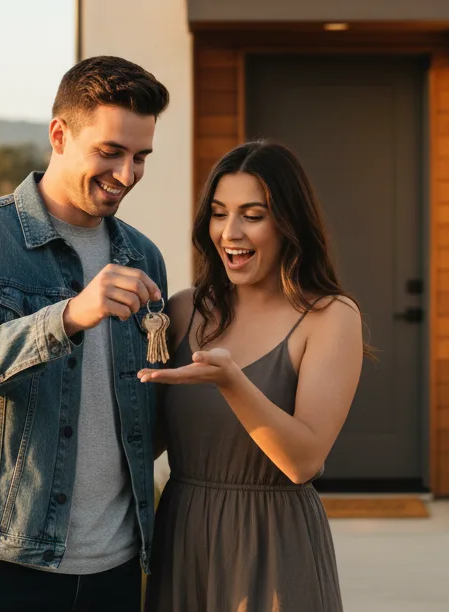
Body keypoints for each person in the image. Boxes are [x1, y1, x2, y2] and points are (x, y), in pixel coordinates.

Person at [0, 55, 170, 611]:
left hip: (118, 567)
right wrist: (67, 317)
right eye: (110, 152)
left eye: (140, 157)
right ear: (60, 134)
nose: (126, 175)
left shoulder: (143, 255)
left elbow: (146, 407)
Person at [139, 140, 367, 612]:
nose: (230, 232)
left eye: (253, 215)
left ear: (289, 223)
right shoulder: (184, 310)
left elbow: (303, 462)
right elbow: (146, 442)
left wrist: (232, 382)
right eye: (219, 213)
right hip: (183, 538)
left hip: (275, 545)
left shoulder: (330, 318)